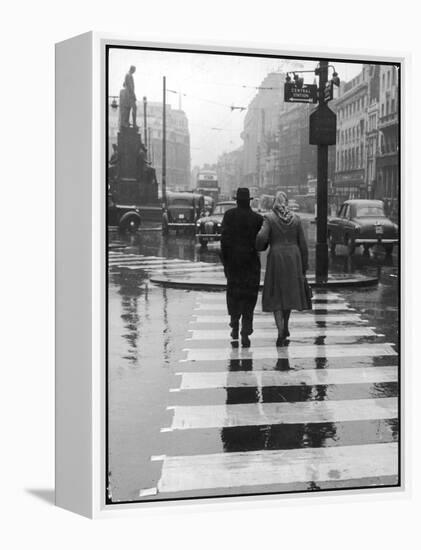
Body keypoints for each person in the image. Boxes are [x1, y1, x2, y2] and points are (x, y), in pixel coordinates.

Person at [256, 191, 310, 346]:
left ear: (275, 203)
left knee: (277, 295)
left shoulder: (269, 218)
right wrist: (304, 266)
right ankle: (285, 326)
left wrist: (260, 246)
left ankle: (280, 330)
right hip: (294, 258)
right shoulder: (296, 219)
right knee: (288, 294)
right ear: (286, 202)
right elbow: (303, 245)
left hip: (277, 258)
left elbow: (261, 238)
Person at [220, 188, 263, 347]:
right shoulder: (257, 219)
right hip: (251, 262)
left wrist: (225, 262)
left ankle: (234, 322)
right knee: (249, 295)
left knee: (234, 293)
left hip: (233, 262)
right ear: (249, 201)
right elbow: (262, 243)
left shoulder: (229, 216)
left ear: (237, 200)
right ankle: (246, 328)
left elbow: (223, 241)